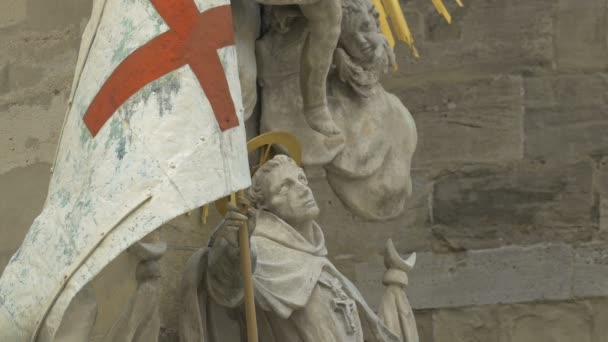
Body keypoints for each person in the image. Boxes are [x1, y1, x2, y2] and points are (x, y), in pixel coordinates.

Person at [179, 155, 418, 341]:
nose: (303, 189)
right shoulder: (259, 252)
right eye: (285, 186)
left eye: (302, 179)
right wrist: (232, 249)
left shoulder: (321, 263)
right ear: (262, 205)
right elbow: (226, 289)